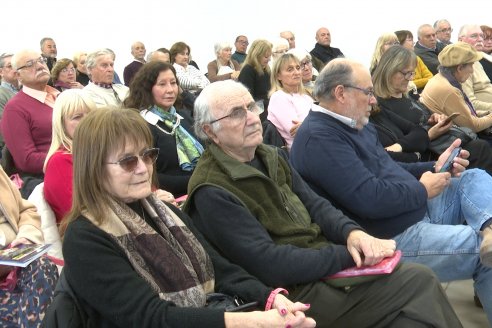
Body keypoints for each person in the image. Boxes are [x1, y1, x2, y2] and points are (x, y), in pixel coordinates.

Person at [184, 80, 463, 327]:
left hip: (321, 265)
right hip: (292, 294)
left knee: (410, 318)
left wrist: (353, 234)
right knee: (417, 282)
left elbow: (316, 205)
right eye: (236, 113)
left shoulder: (269, 154)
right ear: (210, 131)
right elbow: (270, 265)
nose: (252, 118)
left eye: (250, 107)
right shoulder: (212, 189)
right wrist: (351, 254)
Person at [61, 107, 316, 328]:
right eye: (128, 161)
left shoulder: (166, 212)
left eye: (147, 155)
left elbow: (220, 268)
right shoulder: (84, 237)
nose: (143, 168)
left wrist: (272, 299)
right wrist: (255, 321)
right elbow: (149, 318)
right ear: (94, 168)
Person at [289, 57, 492, 324]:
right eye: (368, 92)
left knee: (473, 176)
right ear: (340, 93)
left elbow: (389, 168)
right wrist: (422, 191)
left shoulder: (353, 123)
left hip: (412, 211)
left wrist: (435, 167)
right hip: (390, 234)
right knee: (482, 252)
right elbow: (369, 199)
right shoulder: (320, 139)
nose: (373, 101)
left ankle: (489, 227)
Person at [372, 45, 492, 173]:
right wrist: (430, 134)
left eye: (412, 73)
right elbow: (401, 140)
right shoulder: (380, 105)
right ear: (389, 70)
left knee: (479, 147)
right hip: (427, 153)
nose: (411, 78)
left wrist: (434, 118)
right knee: (480, 147)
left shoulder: (406, 94)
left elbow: (419, 119)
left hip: (435, 143)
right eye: (406, 73)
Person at [124, 61, 204, 197]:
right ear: (147, 88)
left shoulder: (182, 116)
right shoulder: (141, 125)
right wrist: (199, 180)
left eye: (173, 83)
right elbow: (150, 175)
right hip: (172, 197)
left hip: (202, 188)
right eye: (162, 84)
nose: (170, 90)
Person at [0, 165, 58, 326]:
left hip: (14, 262)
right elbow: (27, 158)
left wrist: (26, 236)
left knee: (44, 266)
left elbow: (26, 210)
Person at [2, 50, 59, 185]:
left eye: (41, 60)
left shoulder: (60, 96)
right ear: (18, 75)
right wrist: (71, 158)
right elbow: (26, 160)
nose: (40, 66)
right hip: (48, 178)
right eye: (30, 64)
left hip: (82, 167)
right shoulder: (15, 109)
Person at [43, 89, 97, 223]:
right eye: (77, 117)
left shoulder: (100, 150)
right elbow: (83, 215)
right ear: (61, 124)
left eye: (91, 115)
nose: (87, 122)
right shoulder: (59, 161)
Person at [420, 42, 492, 134]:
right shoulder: (449, 90)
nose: (472, 70)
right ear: (460, 68)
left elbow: (464, 115)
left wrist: (486, 113)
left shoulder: (440, 78)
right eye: (471, 65)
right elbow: (474, 126)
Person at [267, 53, 313, 149]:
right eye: (290, 69)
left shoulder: (306, 97)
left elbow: (322, 122)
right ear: (278, 76)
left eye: (297, 67)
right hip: (301, 151)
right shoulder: (279, 97)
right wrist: (317, 124)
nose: (296, 72)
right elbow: (297, 133)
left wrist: (308, 125)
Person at [455, 25, 492, 114]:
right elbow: (469, 103)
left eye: (481, 36)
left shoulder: (476, 60)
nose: (480, 39)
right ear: (460, 40)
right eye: (474, 36)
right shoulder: (460, 64)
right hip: (484, 116)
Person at [238, 39, 272, 122]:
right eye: (266, 57)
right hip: (258, 115)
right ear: (256, 55)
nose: (269, 59)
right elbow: (248, 100)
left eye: (270, 56)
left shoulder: (266, 70)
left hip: (267, 110)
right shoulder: (248, 70)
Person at [0, 53, 20, 149]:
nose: (15, 69)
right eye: (10, 66)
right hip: (12, 149)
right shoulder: (1, 95)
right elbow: (3, 130)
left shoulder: (26, 89)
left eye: (16, 65)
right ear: (1, 72)